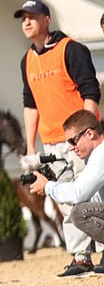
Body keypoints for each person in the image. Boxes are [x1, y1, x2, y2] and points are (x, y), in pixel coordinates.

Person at [16, 0, 102, 276]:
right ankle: (81, 257)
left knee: (93, 195)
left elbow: (90, 91)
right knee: (65, 202)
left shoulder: (71, 49)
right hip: (51, 141)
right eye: (22, 18)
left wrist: (87, 134)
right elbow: (30, 105)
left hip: (81, 140)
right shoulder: (26, 60)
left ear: (46, 19)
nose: (26, 22)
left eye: (32, 16)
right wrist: (31, 147)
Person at [27, 111, 104, 274]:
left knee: (79, 213)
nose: (70, 147)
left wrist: (48, 186)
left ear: (90, 134)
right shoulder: (95, 156)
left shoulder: (100, 155)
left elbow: (78, 193)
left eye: (72, 140)